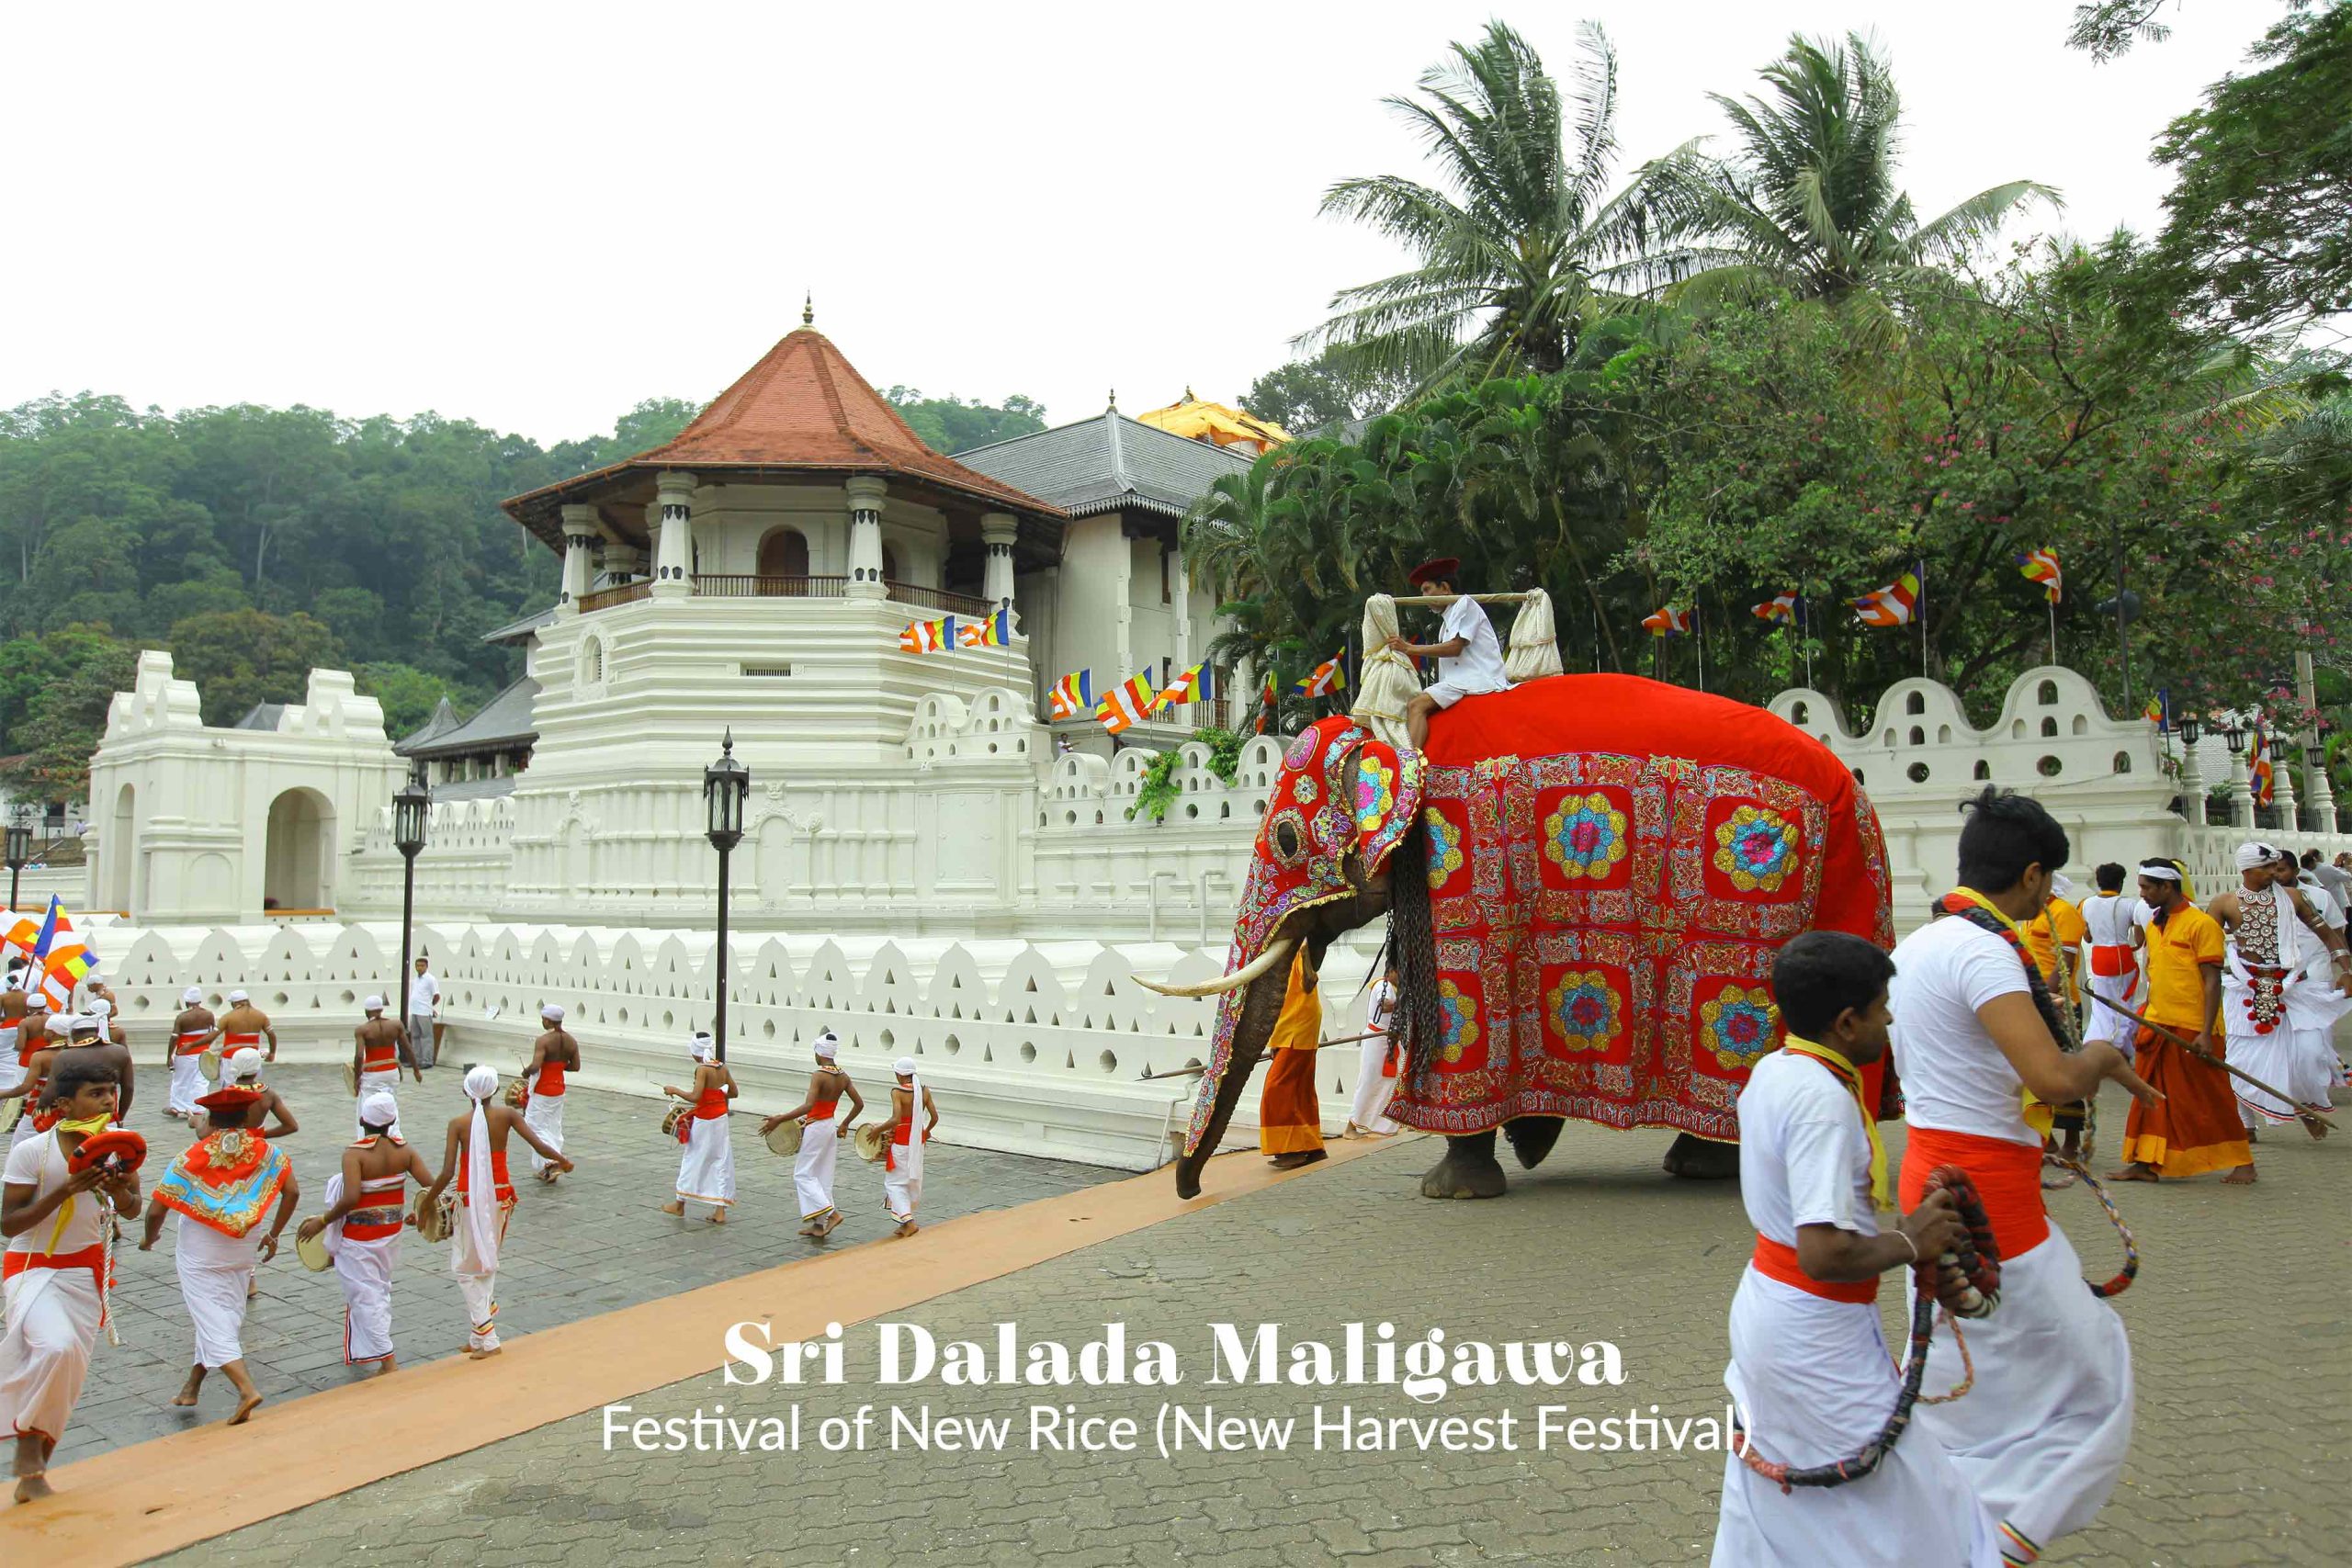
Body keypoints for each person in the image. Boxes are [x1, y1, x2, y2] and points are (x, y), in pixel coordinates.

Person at [1887, 787, 2154, 1560]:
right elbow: (2053, 1079)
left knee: (1964, 1388)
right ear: (2032, 877)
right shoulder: (1982, 951)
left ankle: (1937, 1524)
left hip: (1937, 1183)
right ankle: (2004, 1534)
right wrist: (2102, 1057)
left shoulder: (1919, 945)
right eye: (2046, 886)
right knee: (2095, 1376)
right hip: (1985, 1196)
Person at [1713, 931, 1991, 1566]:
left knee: (1787, 1506)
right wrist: (1910, 1240)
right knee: (1926, 1499)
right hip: (1814, 1333)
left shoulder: (1777, 1069)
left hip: (1783, 1314)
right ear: (1846, 1022)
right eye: (1881, 1005)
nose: (1890, 1018)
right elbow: (1823, 1252)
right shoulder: (1820, 1101)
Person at [1, 1058, 141, 1503]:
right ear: (64, 1104)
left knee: (69, 1370)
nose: (106, 1101)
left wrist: (117, 1188)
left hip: (84, 1269)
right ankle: (26, 1440)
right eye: (95, 1093)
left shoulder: (118, 1147)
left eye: (109, 1093)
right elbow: (9, 1223)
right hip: (31, 1265)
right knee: (56, 1347)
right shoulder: (32, 1152)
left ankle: (34, 1471)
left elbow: (133, 1207)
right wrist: (67, 1189)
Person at [141, 1083, 296, 1426]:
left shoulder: (194, 1155)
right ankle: (192, 1385)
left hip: (201, 1249)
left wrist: (149, 1240)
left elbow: (156, 1212)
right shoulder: (268, 1153)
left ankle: (245, 1389)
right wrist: (274, 1233)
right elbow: (292, 1192)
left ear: (211, 1119)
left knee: (212, 1317)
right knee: (220, 1315)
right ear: (245, 1117)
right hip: (244, 1245)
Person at [415, 1065, 569, 1359]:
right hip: (501, 1198)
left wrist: (426, 1202)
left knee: (463, 1267)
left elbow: (447, 1172)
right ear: (495, 1091)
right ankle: (477, 1336)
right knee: (486, 1261)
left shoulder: (458, 1123)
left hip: (470, 1200)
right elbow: (539, 1144)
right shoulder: (507, 1115)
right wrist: (563, 1160)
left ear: (466, 1091)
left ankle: (488, 1334)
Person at [2112, 858, 2251, 1184]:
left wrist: (2204, 1032)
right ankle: (2145, 1163)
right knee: (2147, 1094)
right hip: (2157, 1023)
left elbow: (2212, 981)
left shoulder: (2201, 925)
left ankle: (2243, 1161)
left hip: (2194, 1028)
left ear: (2167, 887)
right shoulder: (2153, 924)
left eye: (2148, 887)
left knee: (2210, 1097)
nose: (2142, 894)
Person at [2207, 845, 2347, 1145]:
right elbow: (2205, 950)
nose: (2274, 872)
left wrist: (2347, 969)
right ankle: (2244, 1125)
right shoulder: (2224, 904)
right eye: (2267, 867)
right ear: (2246, 870)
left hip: (2294, 986)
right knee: (2241, 1061)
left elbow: (2329, 935)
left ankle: (2306, 1106)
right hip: (2244, 988)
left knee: (2310, 1053)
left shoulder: (2294, 898)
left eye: (2276, 866)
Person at [297, 1089, 431, 1375]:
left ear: (362, 1119)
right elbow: (430, 1187)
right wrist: (420, 1211)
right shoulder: (404, 1151)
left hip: (359, 1238)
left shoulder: (354, 1154)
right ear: (392, 1120)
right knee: (377, 1290)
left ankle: (387, 1358)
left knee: (365, 1296)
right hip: (390, 1235)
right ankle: (368, 1351)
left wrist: (322, 1221)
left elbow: (350, 1198)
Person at [1386, 558, 1510, 751]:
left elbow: (1454, 647)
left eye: (1427, 590)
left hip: (1478, 680)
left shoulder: (1465, 604)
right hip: (1458, 683)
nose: (1424, 598)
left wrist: (1409, 649)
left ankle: (1408, 765)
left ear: (1444, 587)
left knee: (1416, 706)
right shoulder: (1446, 622)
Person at [762, 1029, 861, 1239]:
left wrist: (780, 1118)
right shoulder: (842, 1076)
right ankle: (818, 1226)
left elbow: (808, 1106)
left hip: (816, 1128)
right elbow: (859, 1104)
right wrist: (844, 1124)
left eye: (815, 1052)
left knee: (803, 1174)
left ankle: (831, 1214)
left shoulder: (819, 1075)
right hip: (829, 1126)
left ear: (820, 1052)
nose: (814, 1056)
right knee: (822, 1176)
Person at [1256, 948, 1328, 1169]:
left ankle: (1292, 1149)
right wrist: (1276, 1041)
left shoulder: (1301, 948)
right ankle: (1312, 1145)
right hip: (1294, 1029)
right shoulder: (1285, 954)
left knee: (1277, 1089)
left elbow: (1308, 982)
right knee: (1300, 1089)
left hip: (1297, 1028)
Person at [662, 1032, 737, 1223]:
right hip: (720, 1119)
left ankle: (680, 1205)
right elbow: (734, 1092)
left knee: (692, 1159)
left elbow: (696, 1097)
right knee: (720, 1160)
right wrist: (717, 1095)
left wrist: (675, 1090)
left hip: (705, 1120)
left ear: (694, 1051)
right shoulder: (721, 1067)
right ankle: (720, 1211)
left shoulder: (702, 1070)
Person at [2077, 864, 2141, 1054]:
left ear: (2098, 882)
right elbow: (2140, 940)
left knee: (2101, 1005)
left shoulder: (2085, 904)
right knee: (2123, 1004)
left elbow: (2087, 938)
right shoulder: (2130, 904)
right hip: (2121, 957)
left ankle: (2097, 1043)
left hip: (2098, 957)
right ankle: (2120, 1045)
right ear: (2120, 882)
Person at [520, 1004, 578, 1184]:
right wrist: (559, 1066)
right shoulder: (571, 1041)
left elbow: (536, 1066)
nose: (542, 1022)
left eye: (543, 1019)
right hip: (558, 1088)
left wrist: (526, 1071)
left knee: (532, 1126)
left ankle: (554, 1160)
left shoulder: (543, 1040)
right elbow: (575, 1066)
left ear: (548, 1020)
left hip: (543, 1089)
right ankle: (544, 1168)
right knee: (552, 1127)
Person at [1343, 964, 1401, 1139]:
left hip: (1388, 1040)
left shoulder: (1394, 988)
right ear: (1390, 971)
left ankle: (1384, 1124)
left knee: (1387, 1083)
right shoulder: (1382, 986)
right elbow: (1384, 1005)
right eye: (1399, 972)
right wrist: (1407, 1002)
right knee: (1368, 1081)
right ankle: (1350, 1127)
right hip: (1376, 1040)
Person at [883, 1055, 936, 1238]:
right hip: (917, 1142)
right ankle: (904, 1221)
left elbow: (896, 1119)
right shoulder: (924, 1091)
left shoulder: (897, 1092)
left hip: (901, 1143)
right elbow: (935, 1117)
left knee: (894, 1183)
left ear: (899, 1075)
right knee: (910, 1179)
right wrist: (927, 1131)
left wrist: (877, 1131)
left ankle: (908, 1221)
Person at [350, 996, 416, 1138]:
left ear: (367, 1012)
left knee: (367, 1105)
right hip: (392, 1071)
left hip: (372, 1073)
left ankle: (366, 1138)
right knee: (391, 1101)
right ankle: (395, 1136)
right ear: (381, 1009)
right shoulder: (396, 1025)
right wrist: (416, 1071)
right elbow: (408, 1049)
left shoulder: (363, 1029)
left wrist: (356, 1078)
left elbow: (360, 1055)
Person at [211, 1048, 298, 1141]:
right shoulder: (268, 1094)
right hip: (257, 1147)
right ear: (257, 1069)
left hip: (230, 1147)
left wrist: (196, 1121)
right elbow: (291, 1126)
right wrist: (260, 1135)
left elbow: (203, 1134)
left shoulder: (225, 1095)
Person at [198, 990, 277, 1083]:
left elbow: (211, 1037)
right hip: (253, 1057)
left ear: (235, 1003)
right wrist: (272, 1053)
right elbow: (271, 1035)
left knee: (230, 1090)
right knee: (252, 1089)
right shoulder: (261, 1016)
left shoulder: (228, 1017)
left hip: (231, 1058)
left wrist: (191, 1045)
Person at [164, 987, 215, 1122]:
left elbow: (174, 1037)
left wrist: (169, 1056)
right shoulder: (209, 1015)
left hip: (184, 1053)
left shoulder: (182, 1017)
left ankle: (177, 1107)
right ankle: (199, 1108)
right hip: (203, 1052)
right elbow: (212, 1034)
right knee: (200, 1081)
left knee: (180, 1080)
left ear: (187, 1002)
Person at [407, 956, 442, 1071]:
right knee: (415, 1036)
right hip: (415, 1010)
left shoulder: (430, 979)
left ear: (426, 967)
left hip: (424, 1011)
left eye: (422, 966)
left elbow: (436, 995)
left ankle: (427, 1060)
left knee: (426, 1036)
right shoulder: (416, 979)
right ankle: (416, 1060)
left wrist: (430, 1006)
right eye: (417, 966)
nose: (419, 968)